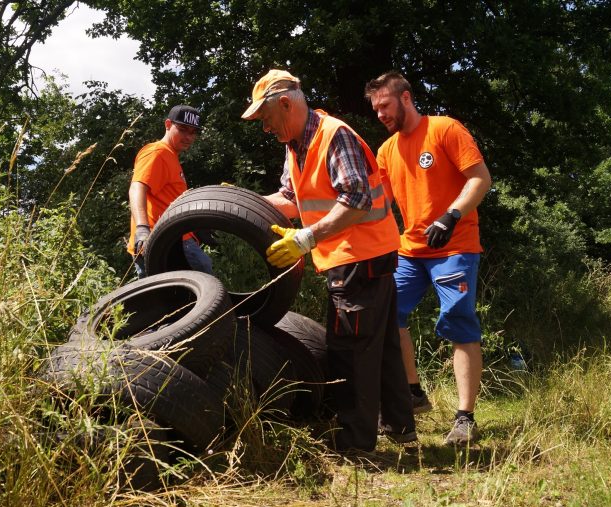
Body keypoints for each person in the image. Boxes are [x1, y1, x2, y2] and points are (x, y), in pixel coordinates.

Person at [242, 69, 416, 453]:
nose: (265, 129)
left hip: (359, 256)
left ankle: (355, 444)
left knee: (349, 350)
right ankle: (401, 428)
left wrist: (306, 238)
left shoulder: (334, 136)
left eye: (266, 119)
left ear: (286, 104)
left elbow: (356, 200)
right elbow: (290, 197)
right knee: (383, 347)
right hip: (362, 253)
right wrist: (235, 203)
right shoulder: (296, 145)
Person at [364, 71, 492, 446]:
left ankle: (465, 418)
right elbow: (378, 206)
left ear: (405, 99)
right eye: (375, 109)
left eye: (385, 105)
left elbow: (480, 178)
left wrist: (451, 215)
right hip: (410, 250)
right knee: (388, 313)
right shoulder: (386, 150)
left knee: (457, 320)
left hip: (455, 247)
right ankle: (413, 394)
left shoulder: (445, 129)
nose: (380, 114)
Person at [127, 105, 212, 278]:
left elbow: (168, 200)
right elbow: (136, 188)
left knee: (185, 300)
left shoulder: (171, 155)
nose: (188, 137)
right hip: (162, 243)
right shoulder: (157, 152)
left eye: (193, 132)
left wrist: (195, 227)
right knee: (198, 297)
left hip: (178, 241)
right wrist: (143, 230)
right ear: (167, 124)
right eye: (182, 130)